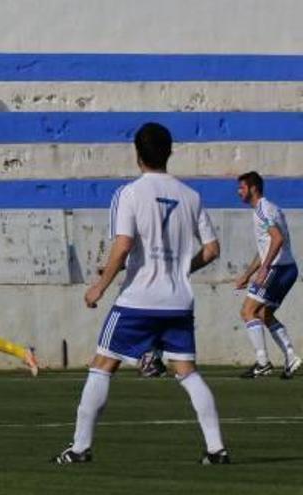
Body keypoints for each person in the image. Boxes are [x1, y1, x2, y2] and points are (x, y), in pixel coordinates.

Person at [52, 123, 229, 465]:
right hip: (178, 301)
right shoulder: (191, 196)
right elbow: (211, 249)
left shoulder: (129, 193)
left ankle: (79, 448)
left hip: (138, 300)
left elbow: (123, 246)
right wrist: (179, 270)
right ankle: (216, 449)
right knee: (188, 373)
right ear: (169, 153)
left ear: (137, 154)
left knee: (102, 366)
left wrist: (98, 288)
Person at [234, 171, 301, 379]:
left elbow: (277, 238)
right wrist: (248, 273)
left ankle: (262, 363)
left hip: (277, 268)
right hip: (288, 268)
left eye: (242, 188)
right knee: (264, 314)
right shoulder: (270, 208)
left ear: (253, 188)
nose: (239, 192)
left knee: (247, 311)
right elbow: (265, 247)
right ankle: (291, 355)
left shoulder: (263, 210)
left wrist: (264, 268)